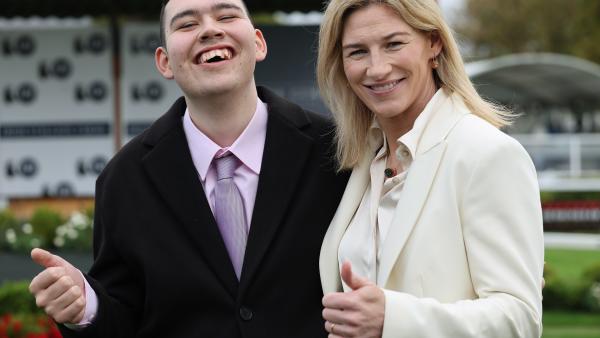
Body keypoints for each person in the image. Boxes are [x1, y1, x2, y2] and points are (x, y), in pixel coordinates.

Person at [28, 0, 348, 337]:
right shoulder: (123, 180)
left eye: (226, 16)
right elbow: (124, 316)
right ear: (164, 62)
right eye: (186, 24)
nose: (210, 29)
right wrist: (87, 307)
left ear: (258, 43)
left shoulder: (336, 152)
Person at [316, 0, 544, 337]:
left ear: (433, 43)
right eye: (357, 52)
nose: (377, 68)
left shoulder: (487, 154)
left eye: (394, 44)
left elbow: (519, 318)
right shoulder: (363, 163)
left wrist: (392, 319)